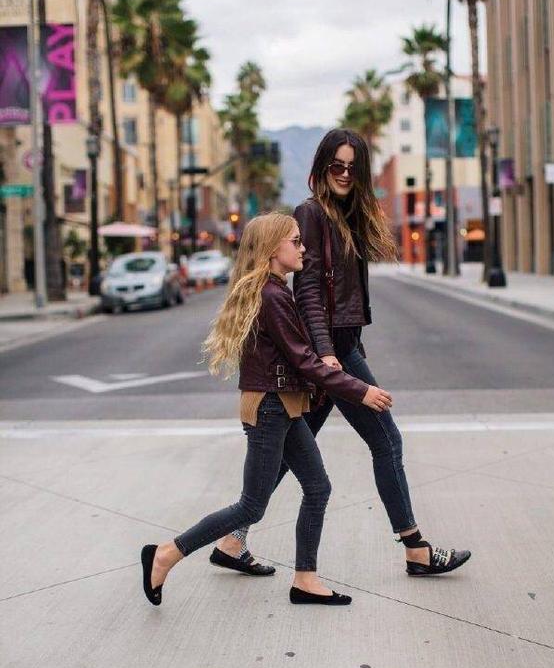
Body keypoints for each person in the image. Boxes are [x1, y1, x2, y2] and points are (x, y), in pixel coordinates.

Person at [214, 129, 471, 577]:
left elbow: (341, 293)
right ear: (322, 167)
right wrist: (328, 354)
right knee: (386, 440)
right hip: (330, 352)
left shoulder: (348, 215)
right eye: (337, 165)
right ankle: (416, 549)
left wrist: (344, 345)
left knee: (290, 452)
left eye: (354, 167)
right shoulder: (311, 214)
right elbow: (309, 290)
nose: (345, 174)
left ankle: (232, 540)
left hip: (341, 346)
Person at [141, 212, 393, 607]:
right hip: (270, 408)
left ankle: (305, 579)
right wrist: (359, 390)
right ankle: (167, 553)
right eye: (296, 241)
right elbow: (303, 360)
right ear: (274, 248)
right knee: (252, 505)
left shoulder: (275, 291)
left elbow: (300, 358)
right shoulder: (272, 296)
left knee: (317, 488)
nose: (303, 248)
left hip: (283, 405)